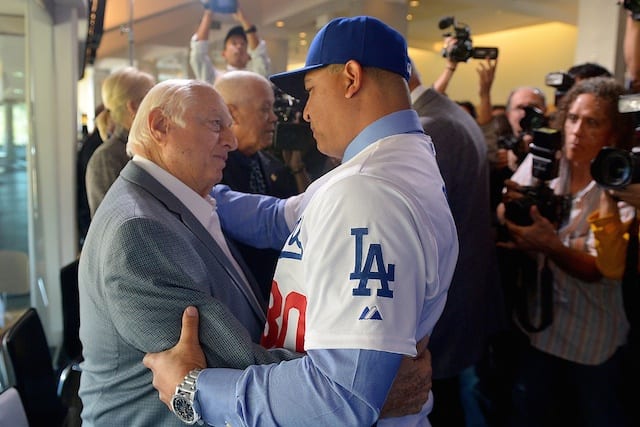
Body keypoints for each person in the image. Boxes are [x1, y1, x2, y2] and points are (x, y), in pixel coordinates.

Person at [144, 15, 458, 426]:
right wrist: (196, 186)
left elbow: (340, 396)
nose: (305, 114)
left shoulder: (368, 192)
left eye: (309, 92)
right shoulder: (392, 166)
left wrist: (194, 390)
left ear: (350, 78)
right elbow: (278, 218)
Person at [79, 78, 431, 426]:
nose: (231, 141)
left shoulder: (180, 203)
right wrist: (359, 388)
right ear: (160, 126)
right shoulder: (140, 231)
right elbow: (228, 365)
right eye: (216, 125)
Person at [499, 77, 635, 426]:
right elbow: (507, 207)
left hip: (592, 340)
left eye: (592, 122)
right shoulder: (548, 159)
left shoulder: (619, 181)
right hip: (538, 327)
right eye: (572, 118)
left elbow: (598, 269)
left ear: (614, 133)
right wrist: (513, 214)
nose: (576, 131)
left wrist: (549, 245)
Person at [408, 60, 503, 426]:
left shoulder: (434, 127)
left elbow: (424, 230)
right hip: (466, 295)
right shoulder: (447, 114)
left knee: (450, 406)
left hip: (450, 305)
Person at [214, 70, 309, 297]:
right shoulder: (211, 174)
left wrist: (295, 168)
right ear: (231, 113)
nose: (274, 117)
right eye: (265, 109)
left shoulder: (271, 164)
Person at [85, 67, 155, 217]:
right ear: (133, 107)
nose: (157, 106)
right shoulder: (106, 158)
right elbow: (111, 222)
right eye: (151, 99)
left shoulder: (144, 148)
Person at [190, 1, 270, 83]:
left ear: (249, 56)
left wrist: (243, 19)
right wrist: (208, 14)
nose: (239, 46)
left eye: (243, 44)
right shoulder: (215, 78)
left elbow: (259, 54)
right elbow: (198, 55)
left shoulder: (257, 78)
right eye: (234, 43)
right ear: (224, 53)